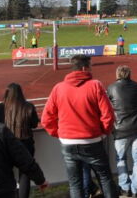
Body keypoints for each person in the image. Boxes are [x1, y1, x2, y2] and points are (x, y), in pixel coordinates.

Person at [41, 55, 118, 198]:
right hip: (92, 141)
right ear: (84, 68)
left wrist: (61, 134)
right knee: (105, 178)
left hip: (68, 143)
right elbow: (108, 115)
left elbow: (46, 119)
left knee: (75, 184)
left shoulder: (58, 88)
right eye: (90, 66)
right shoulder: (95, 85)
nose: (91, 70)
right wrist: (103, 133)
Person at [0, 83, 39, 198]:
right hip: (25, 144)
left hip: (5, 145)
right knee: (25, 175)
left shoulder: (0, 108)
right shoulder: (28, 106)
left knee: (6, 174)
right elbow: (34, 124)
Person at [107, 65, 137, 198]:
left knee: (121, 159)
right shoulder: (136, 86)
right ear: (129, 74)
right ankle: (136, 189)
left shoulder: (111, 88)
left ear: (117, 74)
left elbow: (108, 106)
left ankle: (125, 188)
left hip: (120, 129)